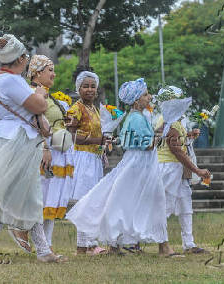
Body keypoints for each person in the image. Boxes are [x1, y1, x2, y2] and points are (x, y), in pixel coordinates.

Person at [0, 34, 66, 263]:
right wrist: (41, 93)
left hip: (9, 140)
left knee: (29, 195)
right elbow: (40, 105)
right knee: (12, 197)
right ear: (21, 58)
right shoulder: (11, 81)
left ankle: (43, 250)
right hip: (18, 142)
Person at [67, 78, 178, 257]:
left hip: (140, 163)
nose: (149, 97)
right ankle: (162, 247)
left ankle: (117, 244)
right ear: (136, 101)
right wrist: (163, 131)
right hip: (140, 164)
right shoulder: (136, 119)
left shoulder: (137, 117)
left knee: (124, 201)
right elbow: (147, 145)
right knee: (153, 201)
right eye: (145, 94)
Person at [23, 55, 74, 252]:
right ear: (37, 73)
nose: (54, 74)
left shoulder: (48, 94)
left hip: (58, 152)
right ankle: (40, 244)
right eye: (49, 70)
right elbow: (34, 122)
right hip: (44, 153)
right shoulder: (33, 93)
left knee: (51, 201)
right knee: (42, 201)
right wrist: (44, 147)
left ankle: (47, 245)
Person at [155, 86, 211, 254]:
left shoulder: (176, 120)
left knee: (186, 204)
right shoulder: (168, 121)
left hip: (177, 168)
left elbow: (177, 142)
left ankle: (189, 243)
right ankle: (162, 246)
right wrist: (198, 170)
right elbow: (176, 150)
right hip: (169, 167)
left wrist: (188, 135)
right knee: (166, 206)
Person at [66, 71, 108, 255]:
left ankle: (85, 246)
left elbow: (98, 136)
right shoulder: (76, 108)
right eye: (86, 86)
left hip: (94, 158)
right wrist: (95, 140)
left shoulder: (95, 109)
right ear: (79, 89)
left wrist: (102, 148)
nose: (90, 89)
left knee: (92, 202)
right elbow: (71, 135)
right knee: (85, 202)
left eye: (93, 86)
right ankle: (88, 244)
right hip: (81, 157)